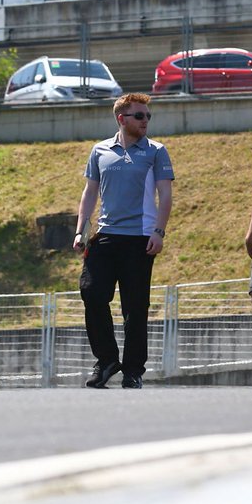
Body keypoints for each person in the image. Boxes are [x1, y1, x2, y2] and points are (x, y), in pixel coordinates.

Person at [73, 93, 174, 389]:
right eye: (139, 116)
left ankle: (133, 370)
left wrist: (159, 231)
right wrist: (81, 230)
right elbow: (90, 192)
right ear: (122, 118)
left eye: (148, 116)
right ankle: (106, 360)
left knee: (135, 306)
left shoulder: (156, 151)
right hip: (105, 236)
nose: (145, 121)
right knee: (91, 292)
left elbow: (165, 195)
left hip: (140, 239)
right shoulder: (100, 151)